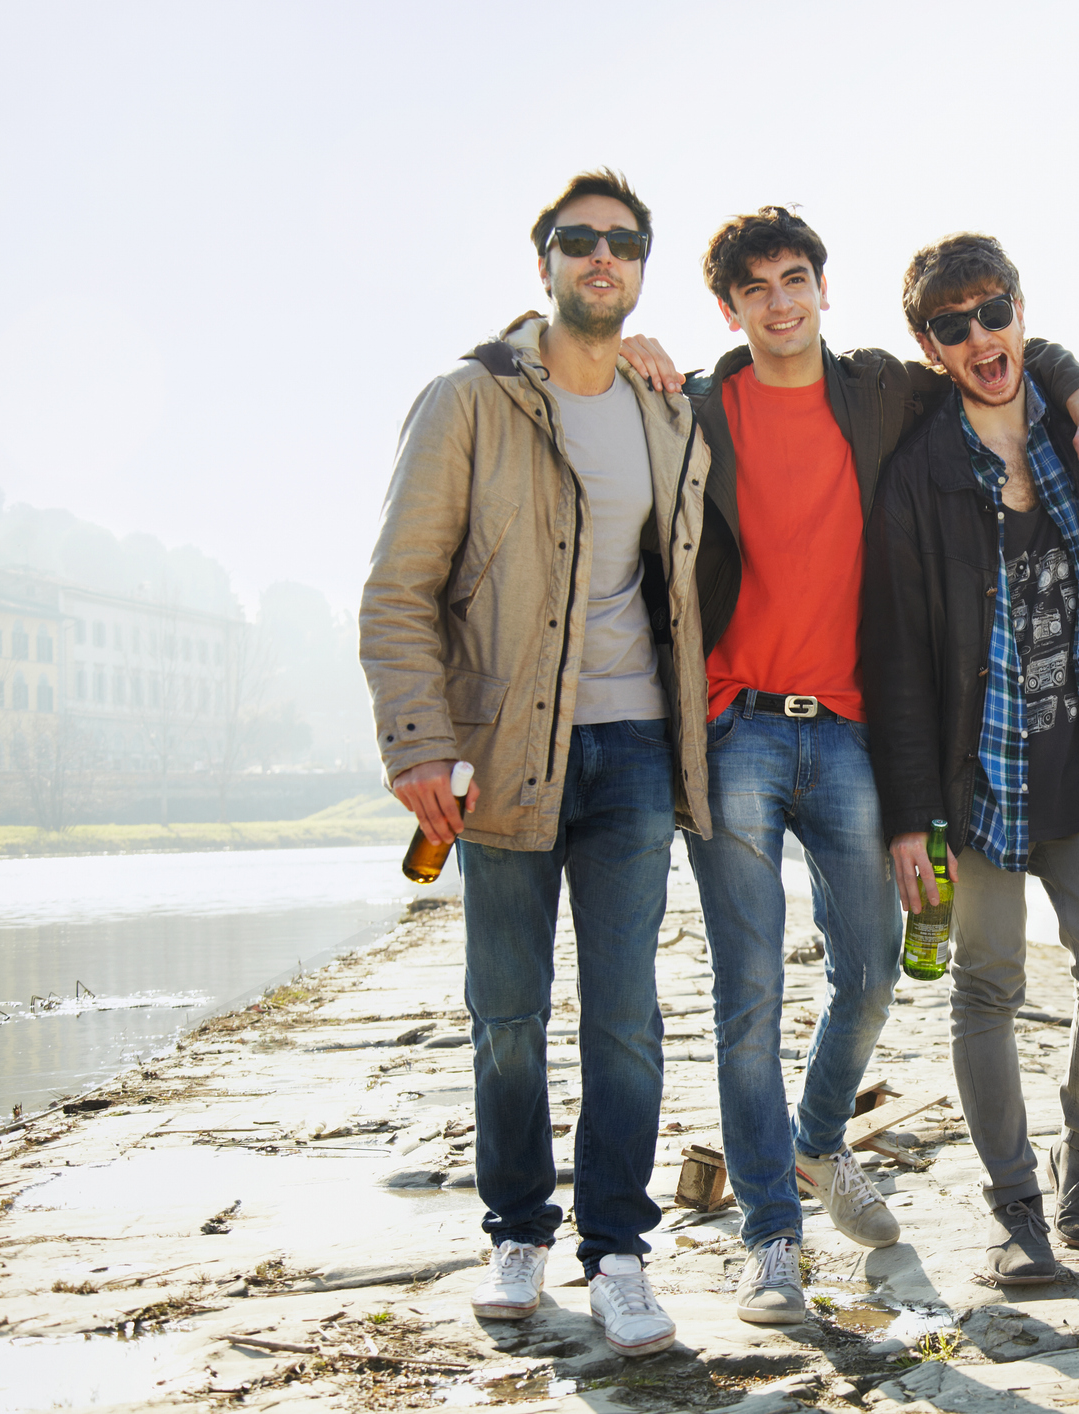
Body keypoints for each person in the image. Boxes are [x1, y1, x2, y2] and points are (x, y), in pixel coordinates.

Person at [614, 207, 1079, 1322]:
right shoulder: (697, 407)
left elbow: (1005, 353)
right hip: (737, 726)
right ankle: (773, 1242)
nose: (781, 303)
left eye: (796, 279)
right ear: (728, 309)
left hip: (847, 727)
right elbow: (556, 356)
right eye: (756, 290)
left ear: (822, 288)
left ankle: (812, 1141)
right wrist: (622, 348)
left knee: (876, 970)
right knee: (747, 995)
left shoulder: (879, 390)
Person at [360, 170, 703, 1356]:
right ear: (543, 260)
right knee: (506, 1011)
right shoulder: (468, 401)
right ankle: (517, 1230)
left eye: (622, 242)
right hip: (505, 755)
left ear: (642, 265)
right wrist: (419, 742)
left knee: (624, 1017)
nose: (600, 257)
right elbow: (398, 588)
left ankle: (616, 1251)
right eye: (578, 241)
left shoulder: (668, 408)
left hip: (638, 749)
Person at [862, 233, 1079, 1283]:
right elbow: (891, 661)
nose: (981, 336)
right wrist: (907, 816)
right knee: (987, 985)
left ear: (1021, 308)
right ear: (929, 346)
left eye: (995, 310)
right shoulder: (917, 479)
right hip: (978, 783)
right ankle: (1014, 1206)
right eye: (953, 324)